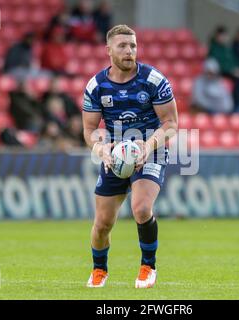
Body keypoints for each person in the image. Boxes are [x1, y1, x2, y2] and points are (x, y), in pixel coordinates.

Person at [82, 25, 178, 288]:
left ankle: (148, 266)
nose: (129, 51)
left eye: (133, 46)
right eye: (122, 45)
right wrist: (102, 150)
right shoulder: (96, 86)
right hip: (114, 155)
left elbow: (170, 123)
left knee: (141, 208)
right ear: (108, 50)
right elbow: (89, 130)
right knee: (102, 223)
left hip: (150, 150)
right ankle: (99, 269)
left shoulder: (154, 80)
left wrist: (148, 146)